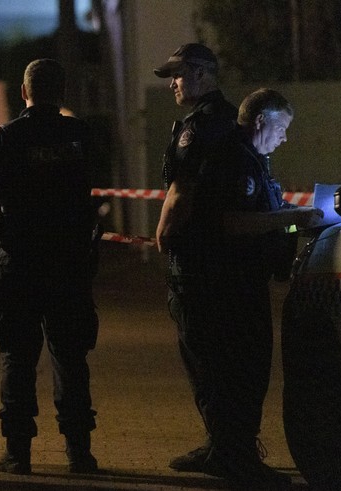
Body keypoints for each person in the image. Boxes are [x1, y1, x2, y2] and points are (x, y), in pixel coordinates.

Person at [159, 86, 323, 489]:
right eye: (282, 128)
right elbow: (231, 222)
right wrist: (294, 217)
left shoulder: (251, 159)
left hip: (234, 284)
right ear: (262, 121)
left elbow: (259, 216)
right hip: (220, 288)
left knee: (227, 375)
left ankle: (224, 450)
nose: (285, 137)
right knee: (237, 375)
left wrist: (289, 220)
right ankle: (238, 460)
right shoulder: (234, 159)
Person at [0, 58, 100, 475]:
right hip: (70, 263)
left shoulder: (8, 137)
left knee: (17, 357)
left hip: (19, 263)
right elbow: (95, 190)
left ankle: (18, 452)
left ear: (24, 92)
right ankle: (80, 452)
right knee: (71, 357)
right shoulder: (80, 135)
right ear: (62, 92)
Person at [152, 42, 239, 473]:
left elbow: (181, 191)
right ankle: (227, 443)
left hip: (200, 261)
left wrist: (163, 234)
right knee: (223, 355)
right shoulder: (229, 119)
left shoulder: (199, 126)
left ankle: (222, 447)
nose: (173, 82)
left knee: (203, 354)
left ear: (203, 74)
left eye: (179, 74)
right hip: (227, 260)